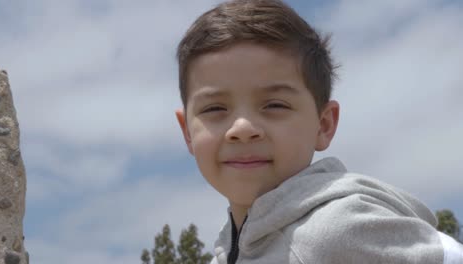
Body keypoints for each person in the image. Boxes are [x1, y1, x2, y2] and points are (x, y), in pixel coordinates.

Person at [174, 0, 463, 263]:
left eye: (274, 105)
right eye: (214, 109)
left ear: (324, 125)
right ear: (187, 132)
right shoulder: (225, 254)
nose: (243, 129)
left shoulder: (335, 231)